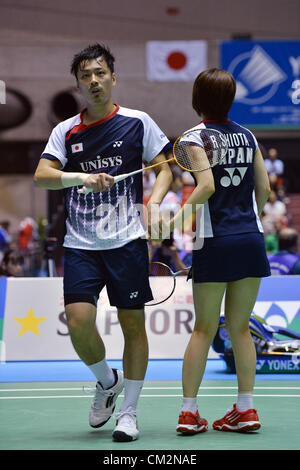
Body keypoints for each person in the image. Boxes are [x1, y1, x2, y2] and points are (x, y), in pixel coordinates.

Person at [33, 43, 172, 442]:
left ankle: (128, 412)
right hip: (81, 244)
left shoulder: (137, 122)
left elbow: (164, 168)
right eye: (85, 76)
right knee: (78, 324)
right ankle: (106, 381)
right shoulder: (66, 131)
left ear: (112, 76)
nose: (94, 82)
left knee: (133, 326)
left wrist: (155, 202)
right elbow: (42, 175)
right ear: (77, 83)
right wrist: (80, 178)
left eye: (100, 74)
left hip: (126, 241)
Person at [166, 68, 271, 434]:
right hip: (250, 238)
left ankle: (189, 413)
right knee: (240, 329)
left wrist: (174, 221)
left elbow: (207, 185)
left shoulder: (194, 137)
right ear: (231, 98)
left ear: (197, 98)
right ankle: (245, 409)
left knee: (204, 330)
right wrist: (248, 218)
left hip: (214, 239)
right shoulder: (248, 135)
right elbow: (265, 189)